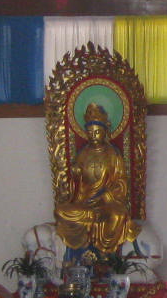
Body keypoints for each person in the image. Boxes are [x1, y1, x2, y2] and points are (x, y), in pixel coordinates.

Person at [54, 102, 139, 259]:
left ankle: (104, 251)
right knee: (60, 211)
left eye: (97, 132)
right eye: (90, 132)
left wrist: (106, 195)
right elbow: (76, 186)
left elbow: (121, 182)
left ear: (105, 132)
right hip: (85, 202)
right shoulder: (83, 154)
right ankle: (90, 221)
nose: (93, 135)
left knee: (118, 215)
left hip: (106, 202)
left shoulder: (113, 154)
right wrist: (76, 175)